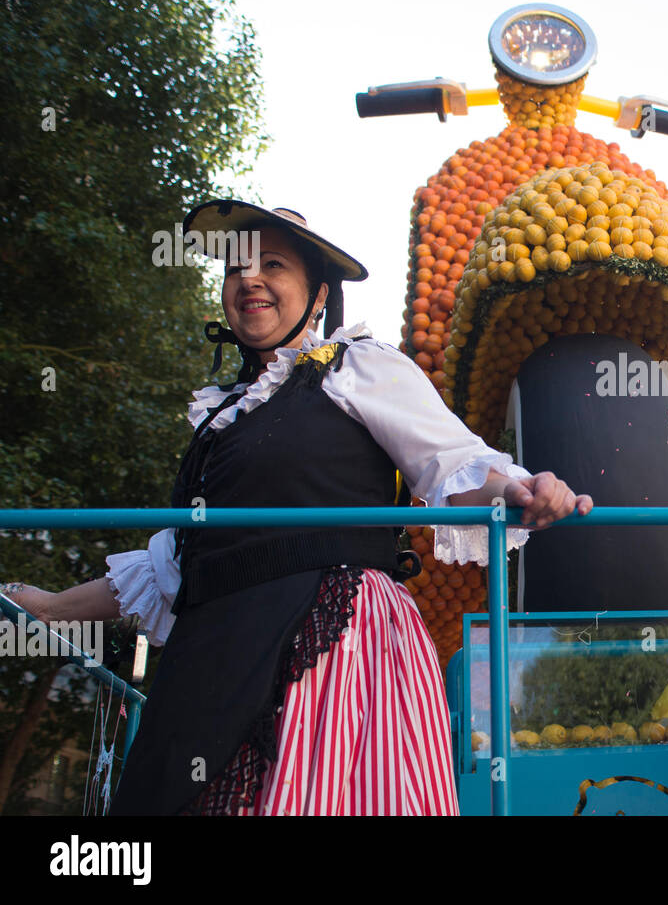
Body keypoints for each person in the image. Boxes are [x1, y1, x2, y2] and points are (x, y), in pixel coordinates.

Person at [3, 202, 591, 815]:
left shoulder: (359, 367)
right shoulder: (219, 419)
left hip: (331, 638)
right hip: (214, 651)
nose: (248, 279)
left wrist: (517, 492)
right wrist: (48, 607)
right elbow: (176, 566)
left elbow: (449, 464)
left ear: (317, 295)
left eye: (273, 265)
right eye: (235, 269)